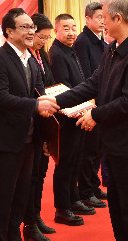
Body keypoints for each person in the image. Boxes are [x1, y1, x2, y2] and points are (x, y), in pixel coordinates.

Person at [41, 0, 128, 241]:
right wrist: (56, 101)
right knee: (118, 210)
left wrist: (95, 114)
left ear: (118, 18)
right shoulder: (114, 48)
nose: (102, 21)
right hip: (115, 144)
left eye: (104, 16)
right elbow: (94, 83)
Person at [0, 8, 59, 241]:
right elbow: (0, 98)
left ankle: (14, 235)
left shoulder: (31, 59)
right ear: (9, 31)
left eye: (32, 27)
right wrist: (36, 105)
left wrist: (46, 136)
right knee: (3, 198)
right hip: (4, 142)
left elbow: (40, 95)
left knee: (21, 197)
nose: (31, 31)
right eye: (25, 27)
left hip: (29, 140)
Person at [49, 13, 94, 226]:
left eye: (74, 28)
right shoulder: (57, 53)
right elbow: (63, 88)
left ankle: (74, 199)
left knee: (75, 161)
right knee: (65, 163)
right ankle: (62, 208)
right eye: (66, 28)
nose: (71, 32)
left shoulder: (70, 50)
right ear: (56, 30)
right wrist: (81, 106)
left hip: (78, 113)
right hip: (66, 117)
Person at [23, 13, 56, 241]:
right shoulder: (26, 57)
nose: (43, 42)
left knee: (41, 174)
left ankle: (36, 215)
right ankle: (29, 222)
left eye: (46, 38)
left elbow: (48, 85)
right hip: (32, 123)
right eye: (40, 37)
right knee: (31, 176)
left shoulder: (41, 55)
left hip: (45, 121)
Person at [73, 2, 107, 208]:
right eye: (99, 17)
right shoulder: (83, 41)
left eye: (104, 17)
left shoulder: (101, 41)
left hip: (102, 102)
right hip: (90, 103)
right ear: (88, 19)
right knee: (89, 151)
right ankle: (85, 191)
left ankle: (94, 186)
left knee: (98, 148)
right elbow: (85, 77)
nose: (103, 21)